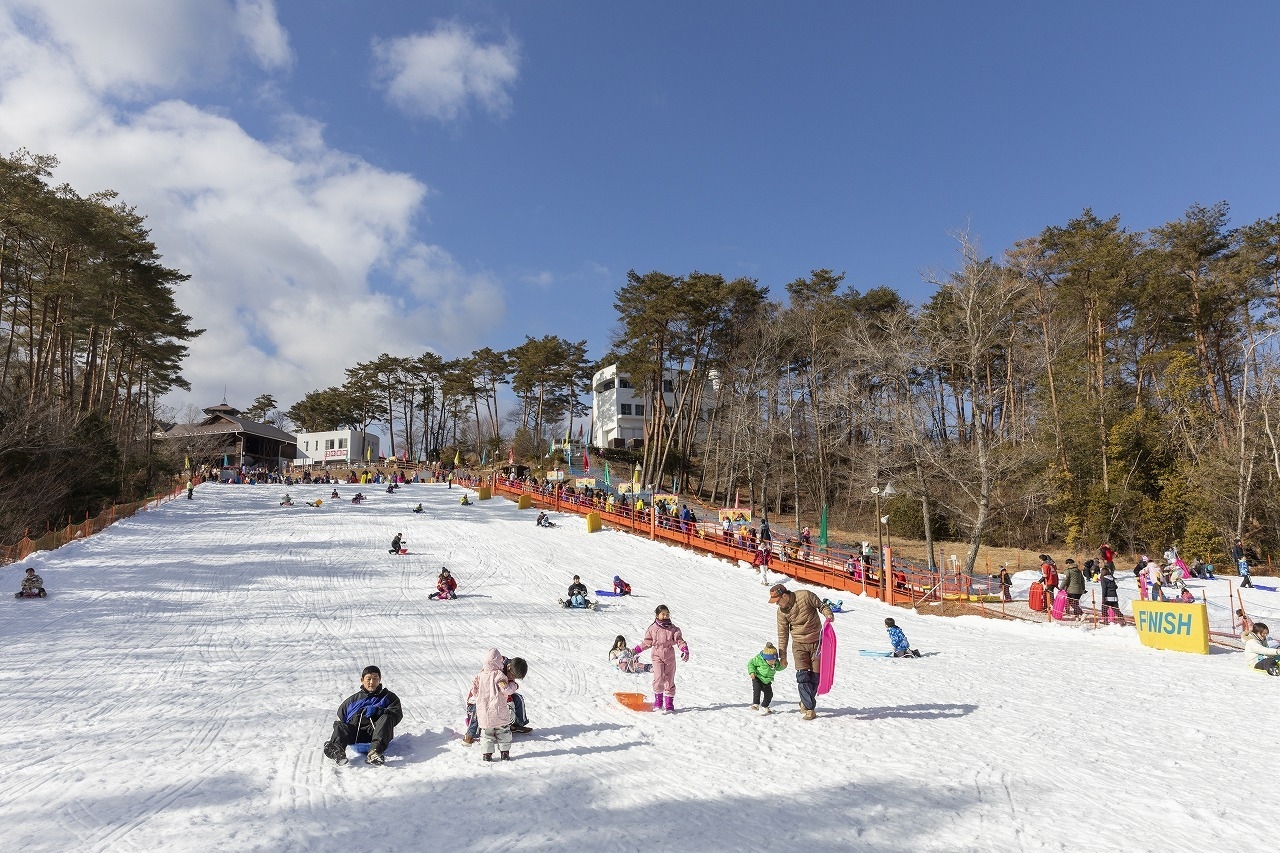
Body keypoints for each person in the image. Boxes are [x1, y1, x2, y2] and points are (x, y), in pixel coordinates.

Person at [769, 584, 834, 720]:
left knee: (816, 677)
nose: (777, 605)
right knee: (802, 677)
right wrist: (783, 656)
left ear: (784, 596)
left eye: (777, 601)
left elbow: (821, 606)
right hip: (798, 645)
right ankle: (810, 709)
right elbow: (783, 635)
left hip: (817, 642)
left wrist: (828, 613)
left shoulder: (805, 596)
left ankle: (805, 701)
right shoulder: (781, 612)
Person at [322, 665, 403, 766]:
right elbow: (339, 721)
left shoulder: (389, 697)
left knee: (387, 717)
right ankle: (337, 750)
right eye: (368, 679)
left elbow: (397, 714)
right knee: (341, 726)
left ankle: (374, 752)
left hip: (378, 732)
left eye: (375, 678)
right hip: (356, 734)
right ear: (362, 680)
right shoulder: (351, 701)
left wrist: (379, 711)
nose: (371, 682)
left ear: (380, 679)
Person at [464, 654, 530, 743]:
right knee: (480, 705)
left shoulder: (508, 671)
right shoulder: (492, 670)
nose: (513, 678)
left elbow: (506, 691)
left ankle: (517, 725)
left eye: (515, 678)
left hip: (495, 702)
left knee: (518, 698)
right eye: (513, 676)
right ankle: (470, 734)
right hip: (478, 700)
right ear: (509, 666)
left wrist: (512, 691)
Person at [635, 604, 689, 713]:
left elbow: (679, 640)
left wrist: (684, 649)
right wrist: (636, 650)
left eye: (667, 614)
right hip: (656, 655)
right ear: (657, 615)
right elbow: (647, 642)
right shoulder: (652, 628)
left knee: (669, 678)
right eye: (663, 614)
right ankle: (658, 702)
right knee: (658, 677)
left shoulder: (673, 629)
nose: (665, 616)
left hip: (669, 655)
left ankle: (669, 704)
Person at [468, 649, 519, 761]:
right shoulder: (499, 675)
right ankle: (504, 753)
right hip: (498, 711)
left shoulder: (480, 675)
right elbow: (505, 689)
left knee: (486, 734)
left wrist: (478, 697)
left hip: (484, 713)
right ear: (497, 662)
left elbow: (474, 689)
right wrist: (514, 686)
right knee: (503, 731)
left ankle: (487, 754)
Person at [747, 642, 782, 714]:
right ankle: (756, 704)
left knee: (769, 694)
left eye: (773, 660)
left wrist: (784, 665)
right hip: (757, 677)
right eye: (770, 661)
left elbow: (779, 668)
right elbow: (751, 663)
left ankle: (765, 706)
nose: (772, 662)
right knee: (757, 690)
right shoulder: (759, 659)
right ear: (765, 658)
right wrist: (752, 672)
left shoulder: (775, 662)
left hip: (767, 680)